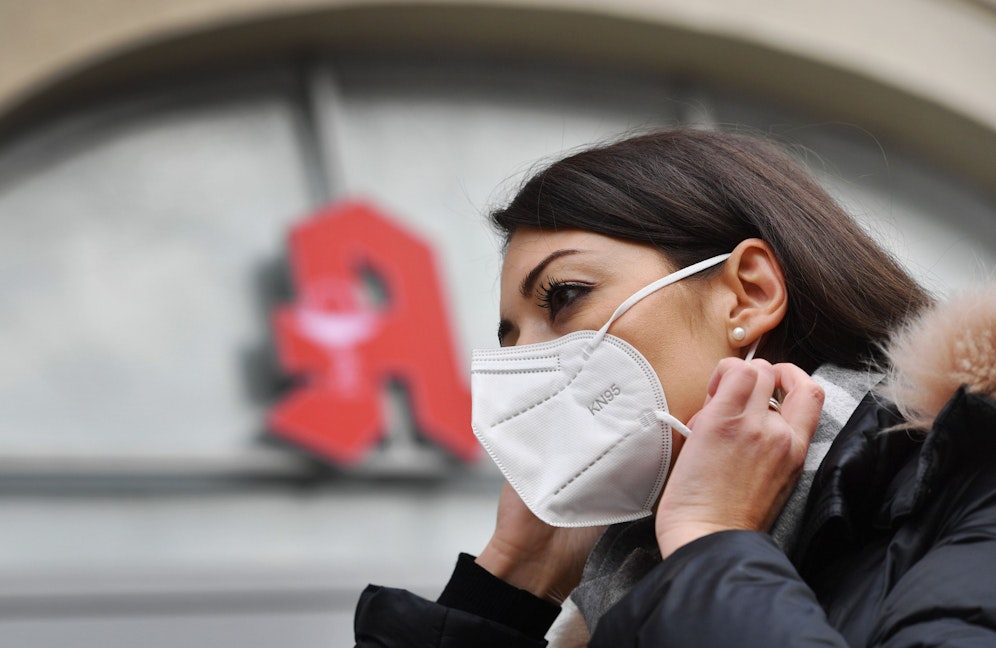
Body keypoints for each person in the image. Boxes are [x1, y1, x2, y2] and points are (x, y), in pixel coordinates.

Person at [353, 129, 996, 646]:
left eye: (564, 296)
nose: (529, 365)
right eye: (510, 341)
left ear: (748, 294)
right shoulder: (620, 591)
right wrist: (513, 578)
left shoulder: (971, 498)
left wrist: (710, 538)